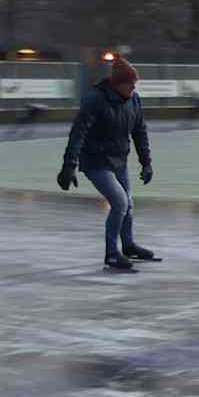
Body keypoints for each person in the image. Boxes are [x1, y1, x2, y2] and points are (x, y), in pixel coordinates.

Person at [56, 56, 155, 272]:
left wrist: (146, 163)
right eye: (131, 84)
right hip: (96, 161)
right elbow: (78, 133)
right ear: (118, 83)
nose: (134, 87)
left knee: (128, 204)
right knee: (120, 202)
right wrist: (69, 165)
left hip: (119, 160)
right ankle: (112, 254)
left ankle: (128, 246)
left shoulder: (134, 100)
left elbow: (140, 132)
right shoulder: (95, 99)